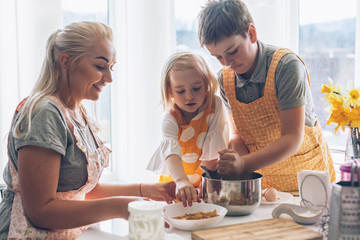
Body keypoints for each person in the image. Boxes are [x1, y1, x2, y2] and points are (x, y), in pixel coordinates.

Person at [0, 21, 176, 240]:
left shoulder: (78, 111)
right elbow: (40, 212)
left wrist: (145, 190)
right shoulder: (44, 113)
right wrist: (124, 207)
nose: (109, 78)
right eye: (100, 67)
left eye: (111, 67)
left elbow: (79, 189)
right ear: (67, 62)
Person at [197, 0, 336, 192]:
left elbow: (292, 139)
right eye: (218, 57)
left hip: (310, 183)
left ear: (251, 34)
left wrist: (244, 165)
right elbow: (239, 135)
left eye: (232, 51)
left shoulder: (286, 67)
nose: (227, 63)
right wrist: (232, 159)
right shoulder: (225, 79)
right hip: (266, 187)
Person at [147, 51, 229, 206]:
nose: (189, 96)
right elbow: (170, 154)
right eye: (180, 91)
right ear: (170, 91)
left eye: (196, 88)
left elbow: (213, 153)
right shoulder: (170, 118)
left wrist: (206, 186)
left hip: (205, 180)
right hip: (176, 183)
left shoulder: (214, 105)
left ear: (206, 85)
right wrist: (182, 182)